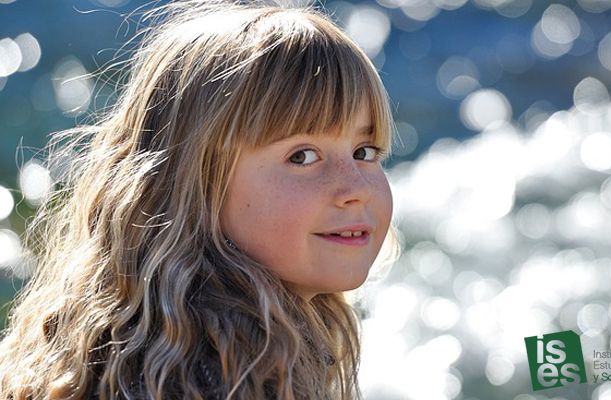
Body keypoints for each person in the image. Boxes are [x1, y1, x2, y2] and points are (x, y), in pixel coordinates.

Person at [0, 1, 397, 398]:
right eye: (302, 157)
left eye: (364, 152)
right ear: (194, 183)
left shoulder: (144, 346)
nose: (356, 188)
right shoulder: (217, 380)